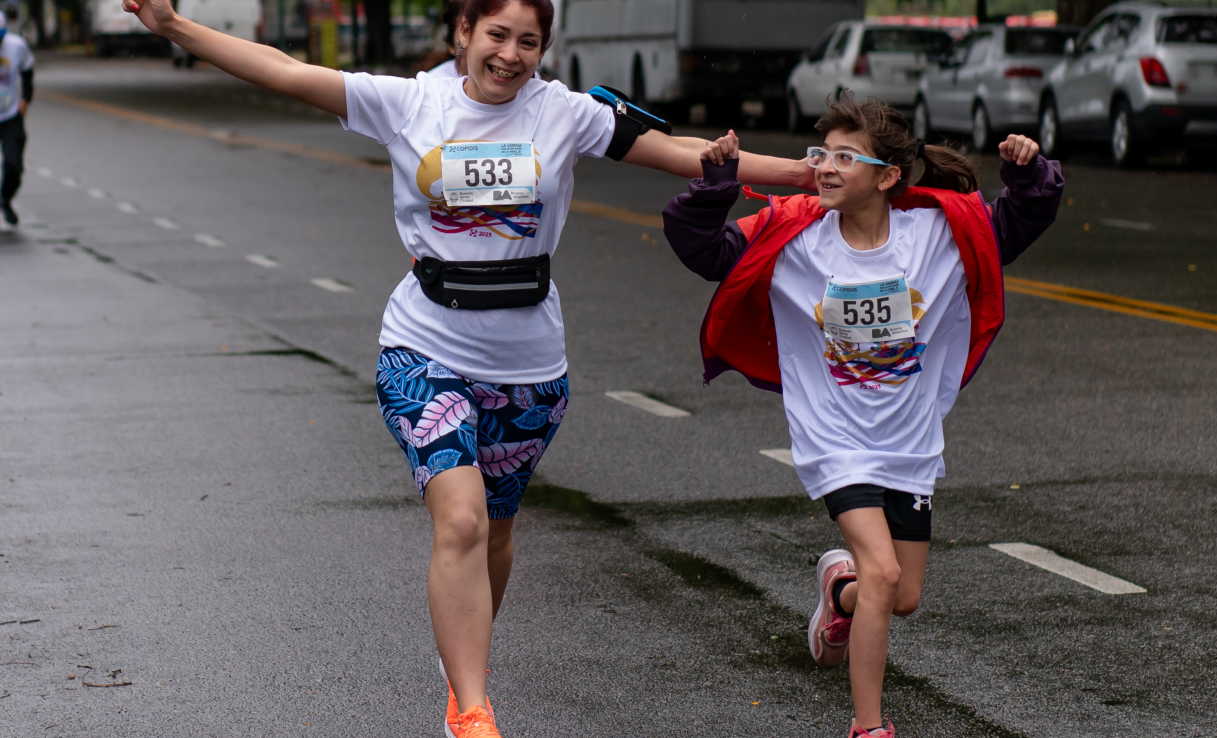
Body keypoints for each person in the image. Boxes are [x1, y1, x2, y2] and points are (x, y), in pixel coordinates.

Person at [119, 0, 813, 735]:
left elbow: (690, 153)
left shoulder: (568, 114)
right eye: (496, 35)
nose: (511, 55)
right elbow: (286, 71)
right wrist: (175, 28)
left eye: (529, 42)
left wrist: (809, 173)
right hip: (424, 349)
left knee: (497, 531)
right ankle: (474, 713)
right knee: (461, 521)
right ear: (462, 34)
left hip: (530, 368)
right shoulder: (408, 102)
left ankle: (459, 672)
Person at [661, 92, 1063, 737]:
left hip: (910, 444)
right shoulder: (792, 233)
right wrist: (715, 186)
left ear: (887, 175)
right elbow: (703, 248)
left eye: (846, 157)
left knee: (898, 596)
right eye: (822, 153)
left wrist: (1027, 174)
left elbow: (1014, 225)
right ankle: (869, 726)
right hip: (835, 440)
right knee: (883, 571)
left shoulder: (938, 234)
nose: (825, 166)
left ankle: (838, 592)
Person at [0, 10, 34, 226]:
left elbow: (28, 73)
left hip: (10, 114)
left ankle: (5, 199)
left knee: (14, 165)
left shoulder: (17, 46)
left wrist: (24, 102)